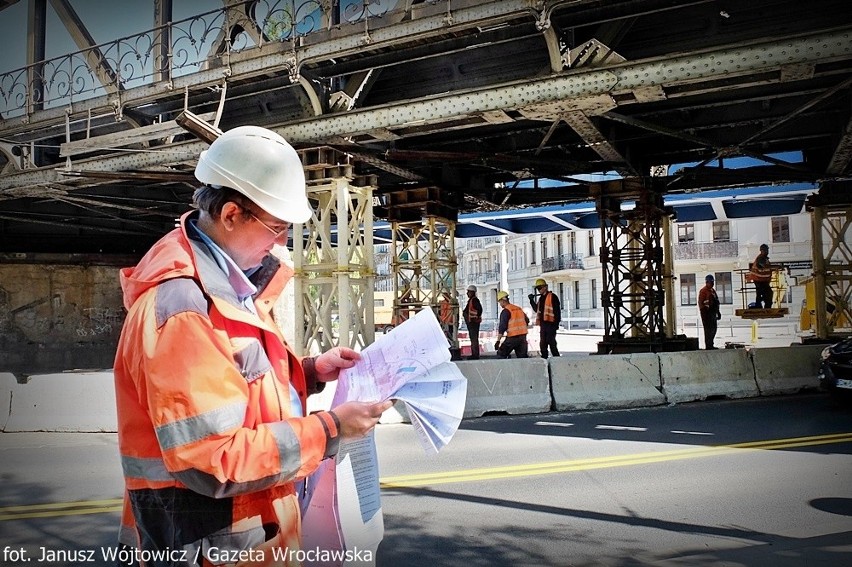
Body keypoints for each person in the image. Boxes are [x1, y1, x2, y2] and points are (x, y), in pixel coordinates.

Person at [112, 126, 393, 564]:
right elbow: (213, 459)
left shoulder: (226, 285)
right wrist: (330, 429)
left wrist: (310, 371)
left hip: (240, 538)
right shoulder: (187, 308)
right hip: (208, 545)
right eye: (276, 228)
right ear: (229, 215)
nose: (281, 244)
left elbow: (241, 378)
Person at [528, 277, 561, 358]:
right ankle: (545, 359)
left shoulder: (552, 297)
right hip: (543, 324)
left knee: (551, 342)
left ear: (545, 287)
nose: (539, 290)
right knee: (543, 344)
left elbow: (557, 312)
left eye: (540, 288)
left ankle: (556, 359)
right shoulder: (541, 298)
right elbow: (537, 309)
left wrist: (556, 325)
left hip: (551, 324)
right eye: (538, 289)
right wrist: (531, 301)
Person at [495, 290, 529, 359]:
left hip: (512, 338)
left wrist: (498, 341)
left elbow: (502, 328)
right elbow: (527, 321)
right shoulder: (518, 309)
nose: (500, 304)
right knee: (523, 358)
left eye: (499, 302)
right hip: (522, 337)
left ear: (503, 301)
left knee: (501, 354)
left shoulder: (506, 311)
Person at [698, 274, 721, 350]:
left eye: (712, 282)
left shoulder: (712, 291)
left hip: (712, 313)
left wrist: (718, 312)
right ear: (707, 282)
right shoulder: (703, 291)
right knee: (708, 330)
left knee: (714, 329)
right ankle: (709, 345)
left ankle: (711, 343)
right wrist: (705, 313)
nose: (712, 284)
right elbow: (701, 303)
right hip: (707, 313)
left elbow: (716, 301)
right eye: (711, 282)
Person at [462, 284, 483, 360]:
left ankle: (475, 355)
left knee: (474, 339)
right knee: (473, 338)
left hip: (473, 323)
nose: (467, 293)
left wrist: (475, 317)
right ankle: (474, 354)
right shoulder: (471, 300)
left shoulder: (474, 300)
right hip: (472, 323)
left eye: (468, 292)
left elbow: (479, 309)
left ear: (472, 292)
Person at [750, 243, 774, 308]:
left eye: (767, 250)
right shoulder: (760, 258)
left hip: (762, 280)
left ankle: (759, 305)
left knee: (760, 293)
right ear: (762, 251)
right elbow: (765, 266)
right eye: (766, 250)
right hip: (759, 280)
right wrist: (776, 267)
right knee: (768, 293)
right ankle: (767, 307)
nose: (767, 252)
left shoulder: (765, 258)